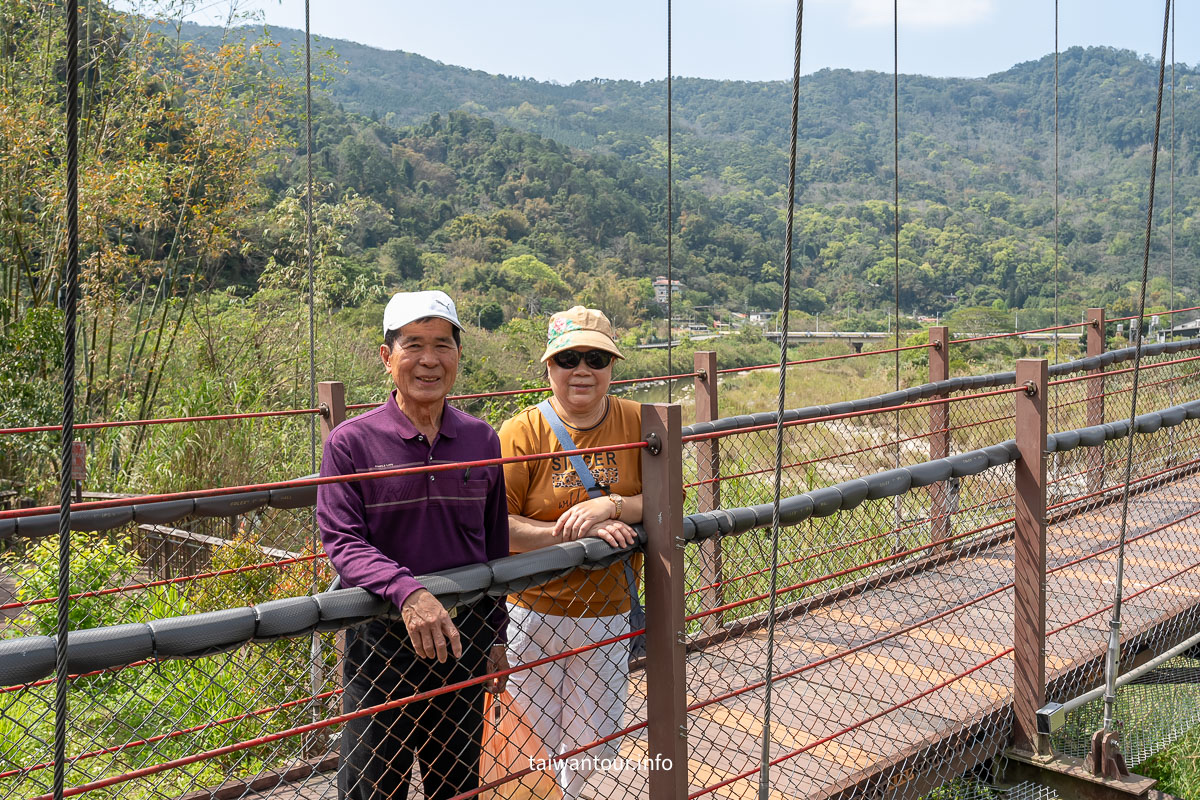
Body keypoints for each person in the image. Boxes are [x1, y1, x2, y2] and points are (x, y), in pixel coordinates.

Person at [317, 290, 510, 800]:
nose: (429, 360)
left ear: (458, 356)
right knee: (372, 790)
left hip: (462, 645)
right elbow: (341, 539)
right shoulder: (351, 443)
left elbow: (495, 544)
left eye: (442, 345)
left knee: (457, 786)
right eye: (413, 345)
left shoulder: (481, 441)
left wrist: (496, 635)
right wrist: (408, 592)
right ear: (387, 358)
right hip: (381, 647)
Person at [499, 306, 643, 799]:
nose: (582, 370)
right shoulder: (520, 432)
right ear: (549, 367)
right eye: (568, 358)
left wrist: (612, 505)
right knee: (531, 740)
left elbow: (671, 501)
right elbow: (499, 524)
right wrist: (575, 536)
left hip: (607, 609)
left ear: (611, 367)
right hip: (532, 611)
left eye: (596, 358)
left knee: (595, 742)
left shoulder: (639, 422)